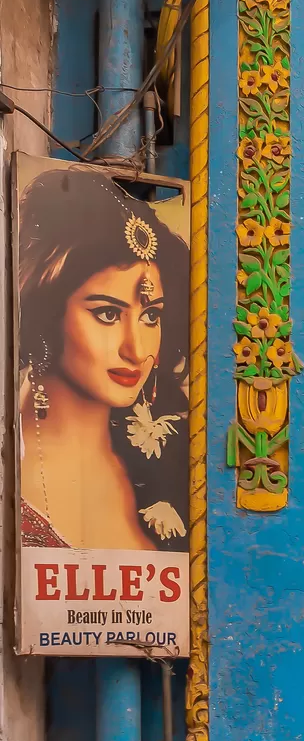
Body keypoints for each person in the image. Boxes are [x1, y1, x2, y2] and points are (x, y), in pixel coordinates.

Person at [18, 168, 189, 552]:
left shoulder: (166, 463)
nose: (136, 348)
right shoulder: (13, 461)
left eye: (151, 316)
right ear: (49, 311)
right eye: (108, 314)